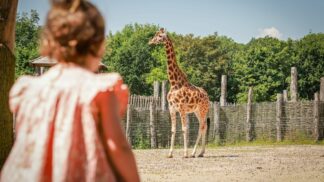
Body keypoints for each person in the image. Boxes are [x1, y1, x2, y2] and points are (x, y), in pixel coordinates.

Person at [0, 0, 140, 181]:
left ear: (49, 42)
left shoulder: (29, 90)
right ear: (99, 44)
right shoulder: (98, 90)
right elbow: (118, 146)